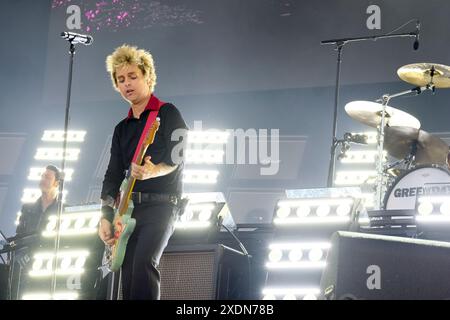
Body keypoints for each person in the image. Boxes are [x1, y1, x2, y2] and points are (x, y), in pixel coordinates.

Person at [98, 44, 188, 300]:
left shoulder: (168, 113)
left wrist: (153, 171)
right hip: (128, 211)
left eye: (133, 76)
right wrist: (105, 215)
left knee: (143, 265)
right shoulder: (121, 129)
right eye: (121, 79)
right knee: (127, 273)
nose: (127, 84)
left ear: (148, 77)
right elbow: (113, 174)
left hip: (162, 206)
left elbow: (179, 156)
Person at [16, 165, 61, 236]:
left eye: (47, 177)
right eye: (42, 176)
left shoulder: (62, 210)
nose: (43, 179)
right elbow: (18, 236)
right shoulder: (27, 208)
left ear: (57, 183)